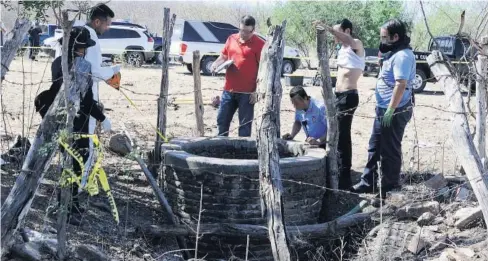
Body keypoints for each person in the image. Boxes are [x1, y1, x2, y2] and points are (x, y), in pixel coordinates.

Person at [34, 27, 111, 224]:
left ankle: (70, 203)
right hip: (77, 123)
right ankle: (66, 207)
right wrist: (101, 117)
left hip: (61, 121)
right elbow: (86, 99)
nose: (84, 51)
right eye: (82, 48)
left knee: (70, 163)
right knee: (75, 164)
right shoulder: (82, 66)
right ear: (78, 48)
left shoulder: (57, 63)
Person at [351, 19, 415, 198]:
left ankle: (388, 189)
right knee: (375, 145)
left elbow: (401, 84)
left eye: (385, 37)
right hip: (384, 109)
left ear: (396, 37)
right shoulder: (393, 53)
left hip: (394, 111)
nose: (382, 40)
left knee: (390, 149)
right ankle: (368, 182)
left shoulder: (402, 56)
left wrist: (391, 109)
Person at [316, 19, 365, 189]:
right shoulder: (342, 50)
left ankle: (345, 178)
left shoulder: (356, 44)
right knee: (332, 132)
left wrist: (328, 29)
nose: (334, 36)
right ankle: (332, 169)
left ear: (348, 30)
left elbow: (348, 41)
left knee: (343, 136)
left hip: (348, 96)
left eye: (338, 32)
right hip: (336, 96)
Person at [211, 15, 265, 137]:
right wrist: (216, 64)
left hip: (247, 93)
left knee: (244, 126)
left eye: (247, 31)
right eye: (241, 30)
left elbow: (263, 70)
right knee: (222, 121)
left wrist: (257, 91)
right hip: (228, 90)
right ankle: (220, 149)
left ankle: (242, 153)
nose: (243, 34)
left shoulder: (260, 44)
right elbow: (224, 56)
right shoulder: (231, 39)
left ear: (253, 30)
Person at [83, 3, 119, 171]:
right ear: (97, 22)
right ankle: (82, 184)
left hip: (75, 96)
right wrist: (113, 70)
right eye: (107, 24)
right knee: (86, 141)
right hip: (86, 96)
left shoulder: (80, 33)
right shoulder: (91, 37)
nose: (108, 27)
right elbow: (94, 73)